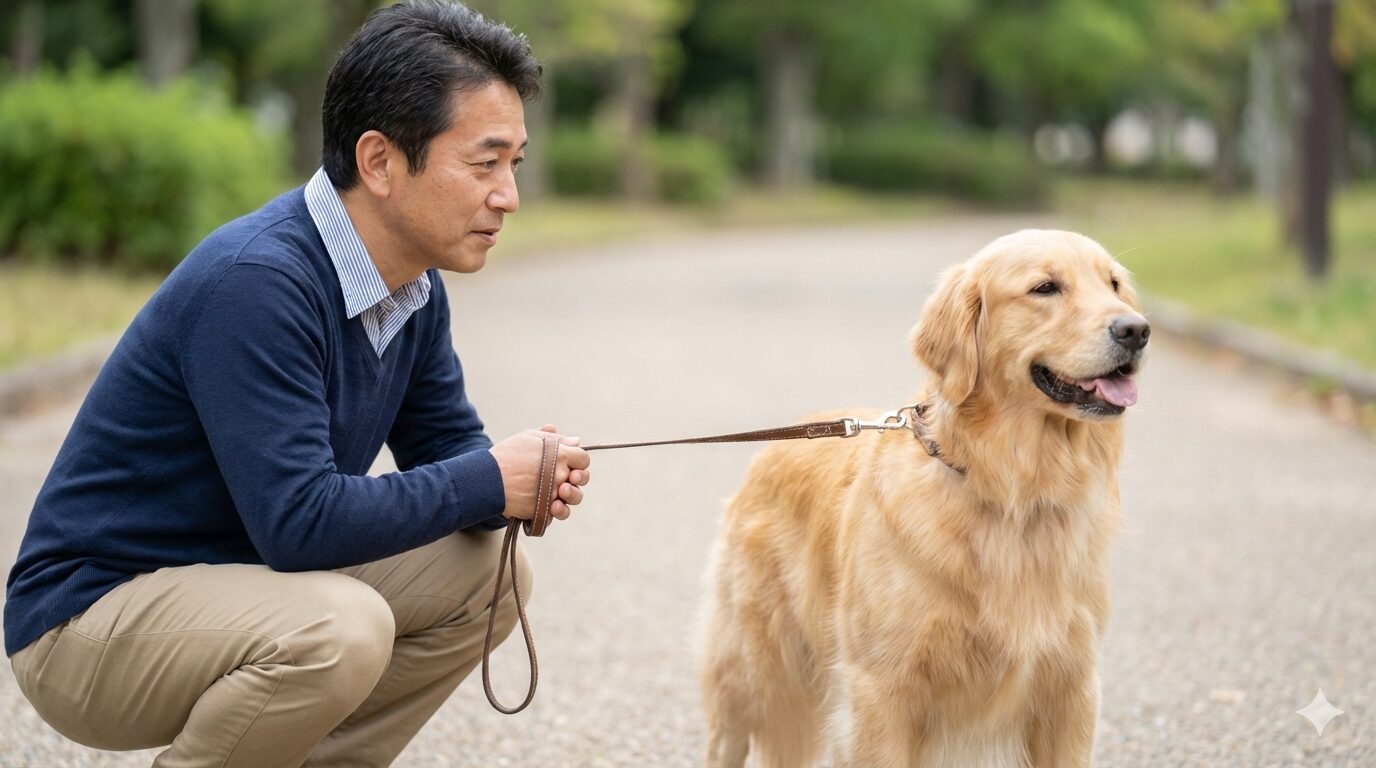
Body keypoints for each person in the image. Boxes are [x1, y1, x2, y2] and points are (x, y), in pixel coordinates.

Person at [3, 2, 590, 765]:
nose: (508, 194)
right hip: (89, 623)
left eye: (512, 163)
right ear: (379, 161)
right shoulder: (258, 283)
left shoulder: (412, 284)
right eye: (484, 164)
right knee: (341, 629)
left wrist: (522, 482)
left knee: (491, 576)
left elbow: (445, 448)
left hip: (237, 578)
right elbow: (301, 522)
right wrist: (485, 479)